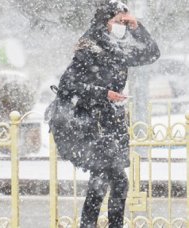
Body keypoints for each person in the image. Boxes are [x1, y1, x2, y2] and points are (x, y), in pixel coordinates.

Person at [46, 1, 160, 227]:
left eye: (122, 22)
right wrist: (103, 93)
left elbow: (151, 54)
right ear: (104, 21)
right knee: (113, 181)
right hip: (94, 124)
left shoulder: (115, 47)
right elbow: (67, 85)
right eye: (117, 21)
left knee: (107, 181)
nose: (120, 26)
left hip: (112, 123)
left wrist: (136, 26)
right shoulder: (90, 46)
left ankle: (94, 225)